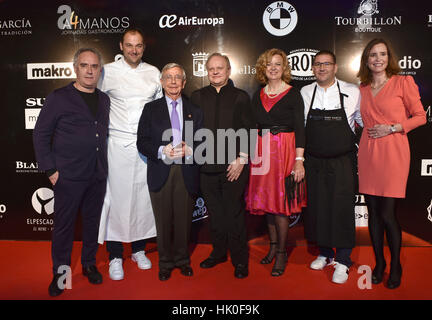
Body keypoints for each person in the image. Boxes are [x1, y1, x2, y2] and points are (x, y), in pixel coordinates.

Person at [33, 48, 110, 297]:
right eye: (85, 65)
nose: (90, 70)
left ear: (99, 70)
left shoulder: (104, 99)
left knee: (91, 224)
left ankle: (89, 265)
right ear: (75, 68)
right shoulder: (58, 97)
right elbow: (41, 134)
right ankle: (61, 274)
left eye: (94, 66)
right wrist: (51, 169)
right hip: (68, 175)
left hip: (97, 174)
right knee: (64, 227)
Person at [357, 38, 426, 289]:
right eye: (373, 54)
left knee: (387, 213)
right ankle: (379, 263)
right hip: (368, 153)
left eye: (382, 54)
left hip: (394, 150)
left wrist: (394, 127)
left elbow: (420, 117)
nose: (378, 59)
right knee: (373, 214)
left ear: (389, 58)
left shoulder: (402, 82)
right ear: (366, 59)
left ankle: (395, 264)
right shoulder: (362, 88)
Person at [97, 28, 162, 281]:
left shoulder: (153, 72)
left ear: (144, 47)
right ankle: (115, 255)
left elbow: (158, 110)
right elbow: (96, 103)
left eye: (139, 46)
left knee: (143, 201)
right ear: (121, 46)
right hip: (117, 146)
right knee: (116, 201)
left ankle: (138, 249)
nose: (134, 50)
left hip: (145, 147)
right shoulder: (108, 72)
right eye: (129, 45)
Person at [300, 50, 363, 284]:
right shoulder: (306, 92)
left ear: (335, 67)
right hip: (314, 161)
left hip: (342, 161)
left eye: (326, 64)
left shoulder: (353, 91)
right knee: (318, 208)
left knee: (342, 209)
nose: (322, 68)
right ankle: (325, 253)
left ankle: (344, 261)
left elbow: (364, 123)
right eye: (317, 64)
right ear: (313, 68)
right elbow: (301, 127)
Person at [136, 63, 203, 281]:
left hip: (186, 171)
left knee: (184, 221)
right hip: (160, 171)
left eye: (177, 78)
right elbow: (142, 142)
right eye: (168, 77)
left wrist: (191, 149)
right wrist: (159, 149)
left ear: (184, 83)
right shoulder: (150, 109)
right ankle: (164, 263)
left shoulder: (195, 110)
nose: (173, 82)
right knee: (163, 221)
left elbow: (204, 142)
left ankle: (183, 260)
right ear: (162, 82)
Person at [246, 48, 306, 277]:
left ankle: (281, 253)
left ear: (284, 68)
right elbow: (253, 128)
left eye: (278, 64)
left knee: (281, 206)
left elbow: (300, 128)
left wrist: (299, 161)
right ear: (263, 68)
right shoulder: (258, 94)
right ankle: (272, 248)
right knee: (268, 205)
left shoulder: (293, 94)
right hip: (262, 153)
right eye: (269, 64)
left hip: (285, 152)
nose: (273, 68)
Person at [190, 53, 252, 279]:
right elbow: (191, 130)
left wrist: (241, 158)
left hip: (233, 166)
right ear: (206, 71)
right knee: (215, 215)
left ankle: (240, 260)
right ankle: (217, 253)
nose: (215, 72)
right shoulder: (197, 96)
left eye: (220, 68)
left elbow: (248, 129)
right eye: (211, 68)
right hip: (206, 168)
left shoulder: (241, 97)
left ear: (228, 70)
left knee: (234, 214)